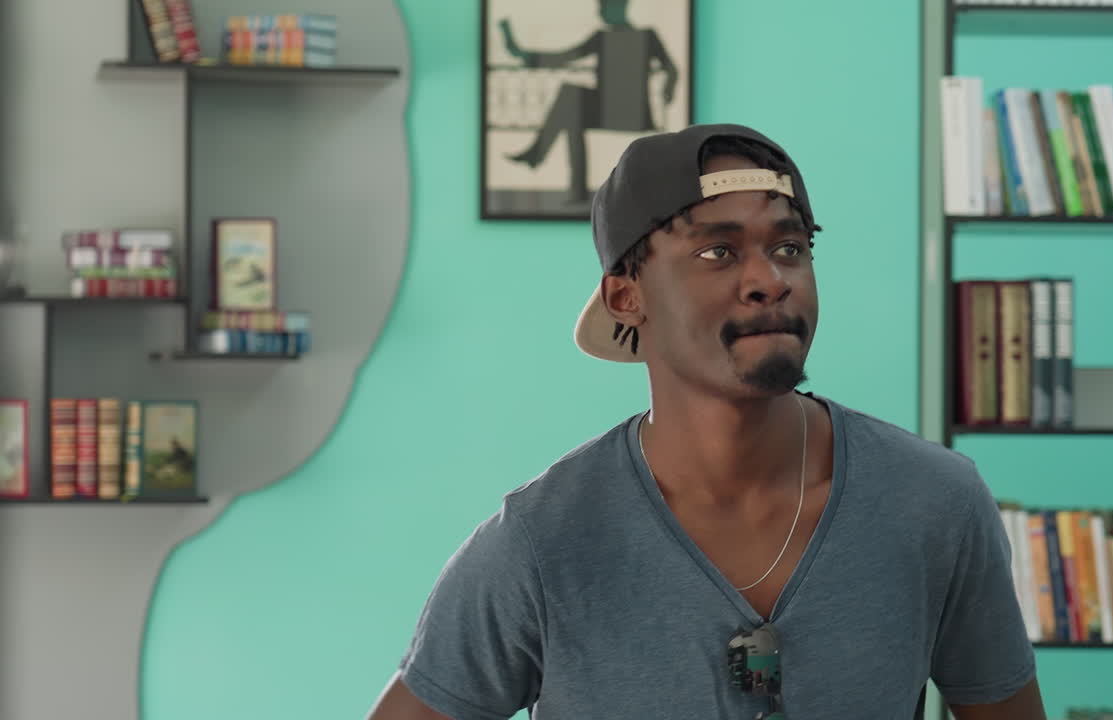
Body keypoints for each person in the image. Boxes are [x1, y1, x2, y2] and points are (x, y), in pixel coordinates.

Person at [366, 123, 1047, 720]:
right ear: (626, 295)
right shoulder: (544, 543)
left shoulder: (935, 503)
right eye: (718, 252)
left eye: (789, 248)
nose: (769, 280)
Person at [498, 0, 679, 204]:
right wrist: (526, 55)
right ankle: (554, 172)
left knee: (571, 102)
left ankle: (543, 160)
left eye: (603, 8)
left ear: (619, 8)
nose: (600, 13)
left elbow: (672, 68)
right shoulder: (601, 37)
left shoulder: (648, 36)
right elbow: (564, 57)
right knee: (570, 101)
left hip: (633, 114)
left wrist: (668, 88)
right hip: (604, 109)